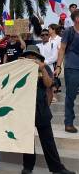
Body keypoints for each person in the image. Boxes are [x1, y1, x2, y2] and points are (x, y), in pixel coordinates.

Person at [20, 46, 75, 174]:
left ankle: (57, 168)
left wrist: (42, 68)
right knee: (27, 141)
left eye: (34, 57)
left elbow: (49, 84)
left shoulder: (45, 68)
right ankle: (27, 167)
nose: (31, 59)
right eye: (28, 56)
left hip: (41, 109)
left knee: (48, 141)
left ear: (39, 58)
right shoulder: (20, 69)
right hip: (25, 110)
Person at [55, 10, 79, 133]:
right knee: (71, 95)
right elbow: (62, 49)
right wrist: (58, 66)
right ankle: (68, 123)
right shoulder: (69, 31)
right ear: (76, 19)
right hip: (72, 66)